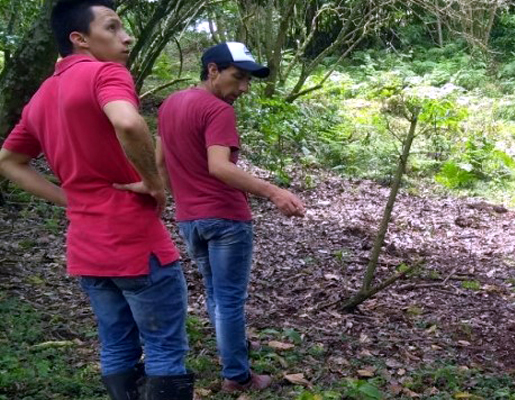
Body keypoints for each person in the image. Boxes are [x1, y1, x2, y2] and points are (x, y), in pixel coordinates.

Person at [0, 1, 193, 399]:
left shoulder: (41, 96)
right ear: (80, 38)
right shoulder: (107, 73)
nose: (126, 36)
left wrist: (68, 199)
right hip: (135, 242)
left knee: (117, 345)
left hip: (87, 248)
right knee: (164, 349)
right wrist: (153, 182)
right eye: (113, 27)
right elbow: (126, 121)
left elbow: (8, 161)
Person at [155, 42, 305, 393]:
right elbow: (219, 167)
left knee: (214, 293)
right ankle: (237, 375)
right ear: (212, 71)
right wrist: (275, 192)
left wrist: (182, 201)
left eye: (247, 80)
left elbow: (161, 164)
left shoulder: (169, 105)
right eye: (237, 78)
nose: (243, 88)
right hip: (225, 219)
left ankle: (232, 355)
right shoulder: (217, 110)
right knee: (229, 299)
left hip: (190, 219)